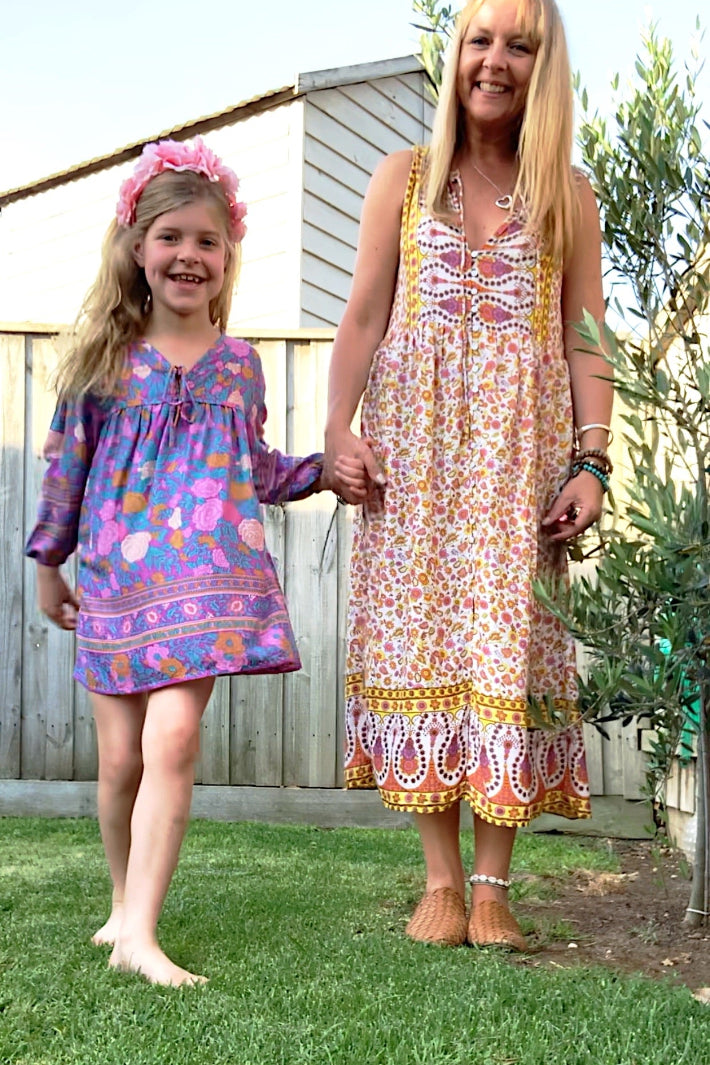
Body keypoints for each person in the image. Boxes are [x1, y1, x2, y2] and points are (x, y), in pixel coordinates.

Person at [324, 0, 614, 950]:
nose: (495, 60)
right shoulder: (403, 178)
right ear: (456, 57)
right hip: (414, 458)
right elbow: (363, 316)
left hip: (517, 463)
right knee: (423, 649)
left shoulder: (568, 196)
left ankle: (493, 888)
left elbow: (586, 339)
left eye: (519, 46)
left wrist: (592, 460)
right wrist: (336, 428)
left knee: (507, 650)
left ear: (543, 67)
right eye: (480, 40)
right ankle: (441, 883)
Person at [26, 137, 330, 985]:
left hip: (204, 587)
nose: (189, 255)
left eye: (207, 240)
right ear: (137, 247)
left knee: (174, 738)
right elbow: (65, 468)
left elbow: (254, 468)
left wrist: (323, 472)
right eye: (171, 237)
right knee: (120, 760)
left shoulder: (240, 366)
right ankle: (123, 902)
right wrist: (49, 564)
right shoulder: (103, 360)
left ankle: (141, 935)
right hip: (117, 586)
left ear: (228, 256)